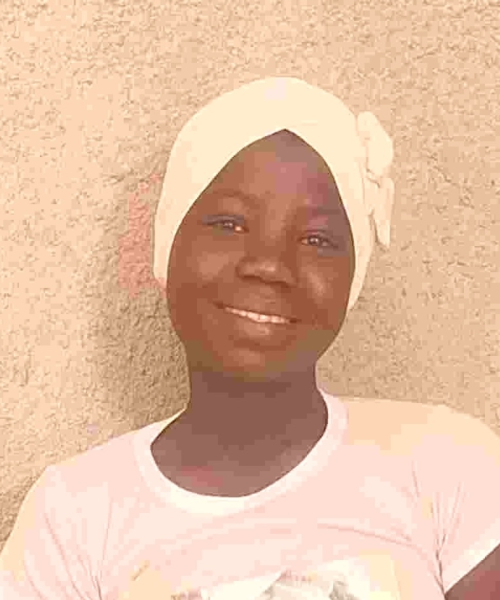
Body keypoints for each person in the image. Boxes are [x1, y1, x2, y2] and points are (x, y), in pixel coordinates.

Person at [1, 77, 499, 600]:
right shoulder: (72, 519)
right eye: (229, 224)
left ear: (352, 278)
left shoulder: (448, 465)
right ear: (168, 245)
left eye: (316, 238)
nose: (269, 265)